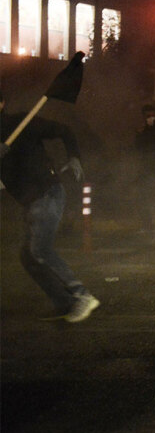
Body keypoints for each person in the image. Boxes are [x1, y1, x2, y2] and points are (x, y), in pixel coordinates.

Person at [0, 90, 100, 322]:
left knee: (39, 250)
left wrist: (74, 156)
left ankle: (82, 295)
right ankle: (64, 303)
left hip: (47, 194)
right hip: (31, 203)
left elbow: (65, 131)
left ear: (2, 103)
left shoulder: (21, 123)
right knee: (29, 256)